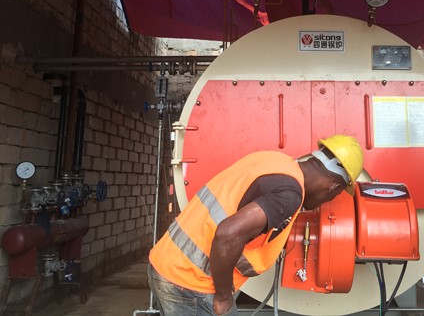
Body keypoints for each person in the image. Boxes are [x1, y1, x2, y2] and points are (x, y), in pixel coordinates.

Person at [148, 134, 364, 316]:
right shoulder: (289, 194)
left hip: (166, 263)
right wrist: (223, 297)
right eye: (335, 195)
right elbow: (228, 234)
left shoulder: (275, 160)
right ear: (333, 187)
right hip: (191, 284)